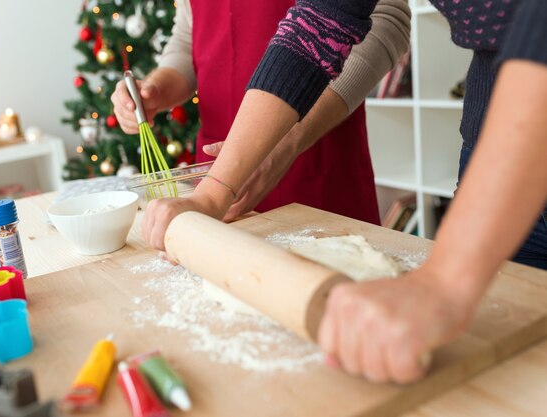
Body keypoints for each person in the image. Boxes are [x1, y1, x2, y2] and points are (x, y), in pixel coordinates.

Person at [140, 0, 547, 384]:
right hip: (496, 132)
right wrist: (214, 193)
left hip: (528, 130)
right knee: (514, 364)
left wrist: (446, 280)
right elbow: (321, 19)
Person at [112, 0, 410, 224]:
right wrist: (156, 89)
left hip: (314, 167)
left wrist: (291, 138)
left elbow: (384, 20)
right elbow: (188, 38)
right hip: (214, 175)